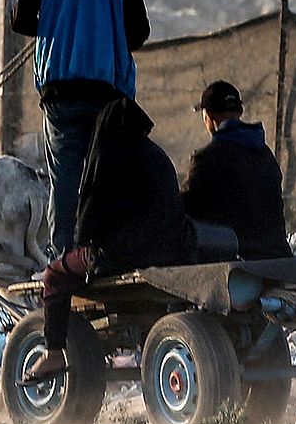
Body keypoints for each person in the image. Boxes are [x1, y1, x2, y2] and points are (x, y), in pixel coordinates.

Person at [9, 0, 150, 255]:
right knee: (105, 179)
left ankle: (64, 260)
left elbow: (21, 20)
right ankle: (105, 255)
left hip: (60, 94)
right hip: (109, 94)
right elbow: (139, 34)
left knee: (64, 183)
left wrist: (56, 23)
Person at [25, 94, 195, 383]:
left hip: (123, 254)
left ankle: (53, 353)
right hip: (174, 249)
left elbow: (91, 218)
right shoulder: (157, 156)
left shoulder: (112, 156)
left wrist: (80, 243)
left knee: (54, 274)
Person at [181, 79, 291, 260]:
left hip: (238, 266)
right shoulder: (265, 154)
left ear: (208, 116)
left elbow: (184, 208)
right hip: (278, 258)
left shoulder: (207, 158)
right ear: (239, 112)